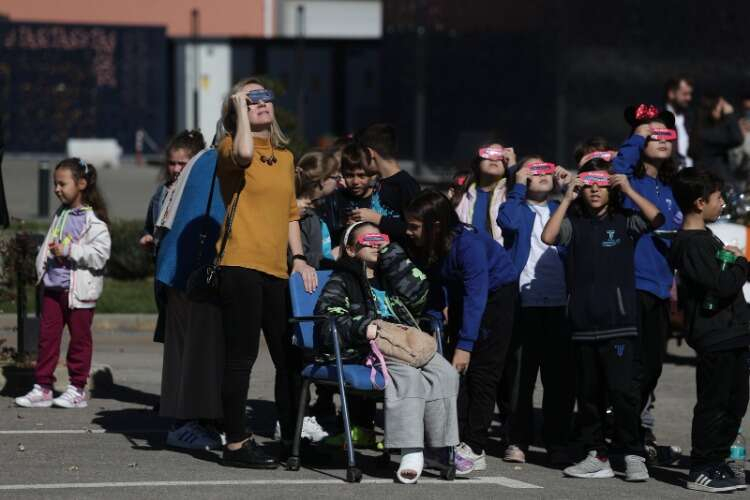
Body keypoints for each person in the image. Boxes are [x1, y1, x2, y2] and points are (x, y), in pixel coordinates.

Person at [215, 77, 317, 469]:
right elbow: (243, 153)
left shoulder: (286, 157)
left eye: (264, 97)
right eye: (250, 99)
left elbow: (292, 212)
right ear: (237, 109)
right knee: (241, 358)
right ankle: (236, 443)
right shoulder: (229, 147)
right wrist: (239, 110)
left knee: (290, 356)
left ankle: (291, 439)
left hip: (276, 269)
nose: (261, 103)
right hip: (239, 263)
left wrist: (299, 258)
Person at [541, 160, 663, 482]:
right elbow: (548, 236)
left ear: (611, 188)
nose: (594, 189)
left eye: (601, 183)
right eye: (589, 184)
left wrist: (628, 189)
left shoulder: (625, 222)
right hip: (583, 326)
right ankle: (597, 455)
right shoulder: (575, 224)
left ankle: (633, 454)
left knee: (623, 393)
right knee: (589, 396)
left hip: (620, 325)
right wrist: (567, 197)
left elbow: (657, 218)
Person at [314, 221, 459, 483]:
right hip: (366, 348)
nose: (374, 244)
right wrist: (363, 327)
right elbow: (327, 320)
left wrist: (392, 254)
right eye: (367, 240)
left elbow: (420, 292)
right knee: (408, 375)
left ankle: (437, 449)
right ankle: (410, 451)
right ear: (350, 249)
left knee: (445, 372)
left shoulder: (390, 276)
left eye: (378, 238)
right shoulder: (342, 279)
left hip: (404, 344)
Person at [405, 190, 518, 475]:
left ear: (436, 226)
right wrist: (431, 320)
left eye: (414, 226)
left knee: (482, 371)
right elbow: (437, 283)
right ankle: (451, 441)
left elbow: (477, 296)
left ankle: (475, 446)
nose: (408, 232)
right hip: (463, 296)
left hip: (496, 296)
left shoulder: (469, 246)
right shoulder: (430, 243)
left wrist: (465, 345)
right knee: (457, 375)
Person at [670, 168, 750, 493]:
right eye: (718, 199)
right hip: (714, 335)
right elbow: (720, 284)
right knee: (713, 403)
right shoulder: (691, 244)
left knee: (735, 401)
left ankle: (717, 461)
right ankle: (702, 466)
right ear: (700, 203)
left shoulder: (706, 237)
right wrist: (741, 262)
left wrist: (729, 260)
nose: (722, 205)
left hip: (733, 332)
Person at [614, 105, 683, 463]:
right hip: (631, 286)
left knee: (653, 368)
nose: (661, 139)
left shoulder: (672, 186)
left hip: (660, 289)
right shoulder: (630, 181)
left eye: (666, 134)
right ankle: (625, 441)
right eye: (652, 134)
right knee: (631, 368)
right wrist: (637, 137)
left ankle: (630, 433)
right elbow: (615, 172)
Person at [16, 159, 111, 409]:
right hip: (53, 289)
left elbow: (100, 254)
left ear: (81, 184)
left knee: (79, 341)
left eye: (62, 183)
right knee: (47, 339)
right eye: (55, 184)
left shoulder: (94, 222)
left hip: (78, 293)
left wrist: (69, 249)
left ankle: (77, 389)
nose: (57, 189)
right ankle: (43, 387)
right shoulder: (61, 214)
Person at [496, 156, 573, 466]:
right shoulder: (517, 206)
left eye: (546, 170)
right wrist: (517, 182)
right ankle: (518, 438)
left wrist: (567, 187)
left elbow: (580, 222)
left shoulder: (560, 209)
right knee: (520, 378)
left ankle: (556, 441)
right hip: (523, 303)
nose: (541, 175)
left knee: (559, 380)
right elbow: (508, 222)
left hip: (559, 305)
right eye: (534, 170)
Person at [141, 130, 205, 345]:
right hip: (164, 272)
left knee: (192, 333)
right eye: (172, 163)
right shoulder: (161, 194)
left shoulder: (199, 194)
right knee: (173, 332)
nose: (176, 169)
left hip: (190, 270)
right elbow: (150, 227)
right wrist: (148, 238)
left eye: (182, 164)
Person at [350, 124, 421, 242]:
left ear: (369, 153)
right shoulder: (380, 182)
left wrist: (377, 219)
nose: (359, 162)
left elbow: (414, 231)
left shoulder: (406, 185)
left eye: (360, 156)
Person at [454, 143, 515, 245]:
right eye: (488, 153)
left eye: (500, 156)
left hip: (499, 258)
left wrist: (513, 166)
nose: (494, 159)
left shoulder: (511, 195)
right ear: (478, 162)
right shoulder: (461, 197)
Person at [690, 94, 744, 188]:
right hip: (717, 186)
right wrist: (729, 115)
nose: (723, 110)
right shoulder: (706, 135)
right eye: (720, 107)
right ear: (712, 110)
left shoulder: (700, 132)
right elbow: (737, 138)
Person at [664, 76, 695, 168]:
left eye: (690, 94)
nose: (689, 98)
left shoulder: (692, 118)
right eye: (685, 94)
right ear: (671, 94)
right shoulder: (658, 119)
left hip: (691, 176)